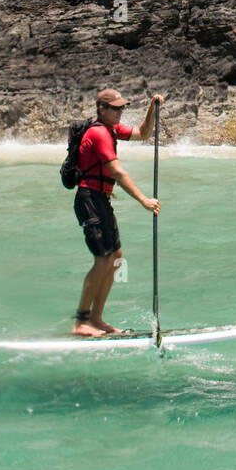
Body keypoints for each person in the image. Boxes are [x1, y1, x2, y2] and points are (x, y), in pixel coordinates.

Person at [73, 87, 163, 337]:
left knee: (116, 258)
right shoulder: (99, 133)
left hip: (100, 200)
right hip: (89, 200)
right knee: (103, 260)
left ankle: (97, 318)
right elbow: (117, 172)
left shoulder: (111, 130)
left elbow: (144, 134)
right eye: (115, 108)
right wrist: (144, 199)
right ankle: (81, 321)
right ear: (102, 109)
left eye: (122, 108)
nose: (120, 112)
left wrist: (152, 108)